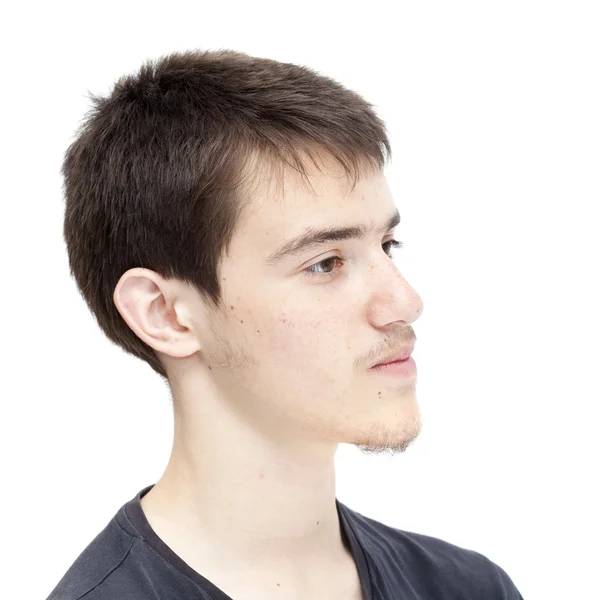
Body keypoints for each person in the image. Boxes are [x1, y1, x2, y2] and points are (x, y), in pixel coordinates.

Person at [47, 48, 523, 600]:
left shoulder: (467, 588)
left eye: (388, 245)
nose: (406, 302)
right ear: (165, 314)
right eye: (325, 263)